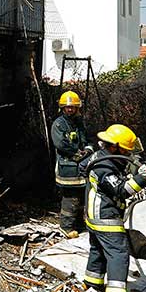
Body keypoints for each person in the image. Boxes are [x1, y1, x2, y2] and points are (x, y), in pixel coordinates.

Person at [79, 124, 146, 292]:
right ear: (114, 146)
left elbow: (82, 166)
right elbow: (121, 190)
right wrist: (141, 178)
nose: (127, 154)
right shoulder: (105, 167)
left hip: (93, 215)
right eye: (125, 150)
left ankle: (92, 283)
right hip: (105, 216)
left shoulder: (100, 157)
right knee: (119, 253)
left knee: (98, 249)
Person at [50, 91, 90, 238]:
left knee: (80, 198)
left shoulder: (78, 123)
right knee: (70, 198)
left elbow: (86, 139)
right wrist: (78, 154)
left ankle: (78, 225)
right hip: (67, 168)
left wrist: (88, 149)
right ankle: (66, 227)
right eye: (67, 107)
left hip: (80, 169)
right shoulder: (58, 124)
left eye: (73, 107)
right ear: (62, 108)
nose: (70, 110)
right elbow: (61, 144)